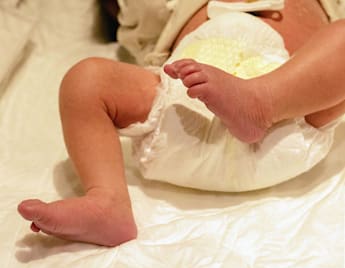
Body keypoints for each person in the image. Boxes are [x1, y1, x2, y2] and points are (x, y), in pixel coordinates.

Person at [17, 0, 345, 247]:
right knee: (85, 79)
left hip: (290, 106)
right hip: (180, 102)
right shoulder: (171, 9)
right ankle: (107, 200)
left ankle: (263, 101)